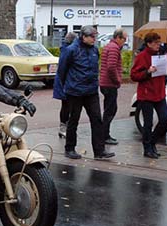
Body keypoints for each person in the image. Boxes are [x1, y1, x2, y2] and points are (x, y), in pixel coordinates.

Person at [57, 25, 115, 160]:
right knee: (74, 120)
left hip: (91, 91)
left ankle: (99, 151)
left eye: (95, 36)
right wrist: (70, 84)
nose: (95, 39)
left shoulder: (94, 50)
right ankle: (70, 148)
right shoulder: (71, 50)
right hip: (75, 91)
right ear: (84, 37)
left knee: (97, 120)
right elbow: (62, 71)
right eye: (92, 37)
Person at [130, 32, 167, 159]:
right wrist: (147, 72)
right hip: (146, 94)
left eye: (159, 42)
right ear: (149, 43)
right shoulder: (142, 56)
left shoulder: (161, 54)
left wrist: (165, 61)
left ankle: (152, 142)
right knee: (148, 123)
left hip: (159, 92)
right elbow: (134, 75)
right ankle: (147, 148)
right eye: (156, 43)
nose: (159, 45)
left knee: (165, 120)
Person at [99, 28, 128, 145]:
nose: (125, 41)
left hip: (106, 83)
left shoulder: (110, 46)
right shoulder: (114, 48)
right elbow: (111, 67)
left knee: (109, 109)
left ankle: (104, 134)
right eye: (124, 39)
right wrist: (117, 80)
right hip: (109, 84)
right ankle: (104, 135)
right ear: (118, 38)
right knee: (110, 110)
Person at [53, 31, 77, 138]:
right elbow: (63, 69)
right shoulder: (67, 50)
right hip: (66, 82)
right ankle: (63, 127)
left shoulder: (65, 49)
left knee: (67, 105)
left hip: (65, 82)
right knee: (67, 105)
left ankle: (65, 127)